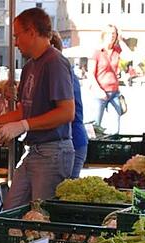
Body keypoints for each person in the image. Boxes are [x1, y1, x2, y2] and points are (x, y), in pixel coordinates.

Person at [0, 7, 75, 210]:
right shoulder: (30, 66)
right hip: (33, 151)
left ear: (32, 31)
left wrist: (23, 125)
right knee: (10, 210)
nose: (15, 42)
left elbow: (66, 112)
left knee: (40, 216)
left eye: (17, 35)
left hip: (52, 152)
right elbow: (24, 110)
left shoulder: (55, 62)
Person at [51, 33, 87, 178]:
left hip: (72, 141)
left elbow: (65, 113)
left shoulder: (61, 73)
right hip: (74, 140)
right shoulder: (64, 71)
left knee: (64, 193)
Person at [87, 24, 123, 134]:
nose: (112, 36)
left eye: (114, 33)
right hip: (100, 92)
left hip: (114, 92)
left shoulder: (118, 50)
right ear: (104, 35)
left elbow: (133, 55)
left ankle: (114, 148)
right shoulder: (97, 52)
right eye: (110, 33)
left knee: (115, 126)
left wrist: (123, 40)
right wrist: (98, 90)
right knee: (97, 125)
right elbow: (91, 74)